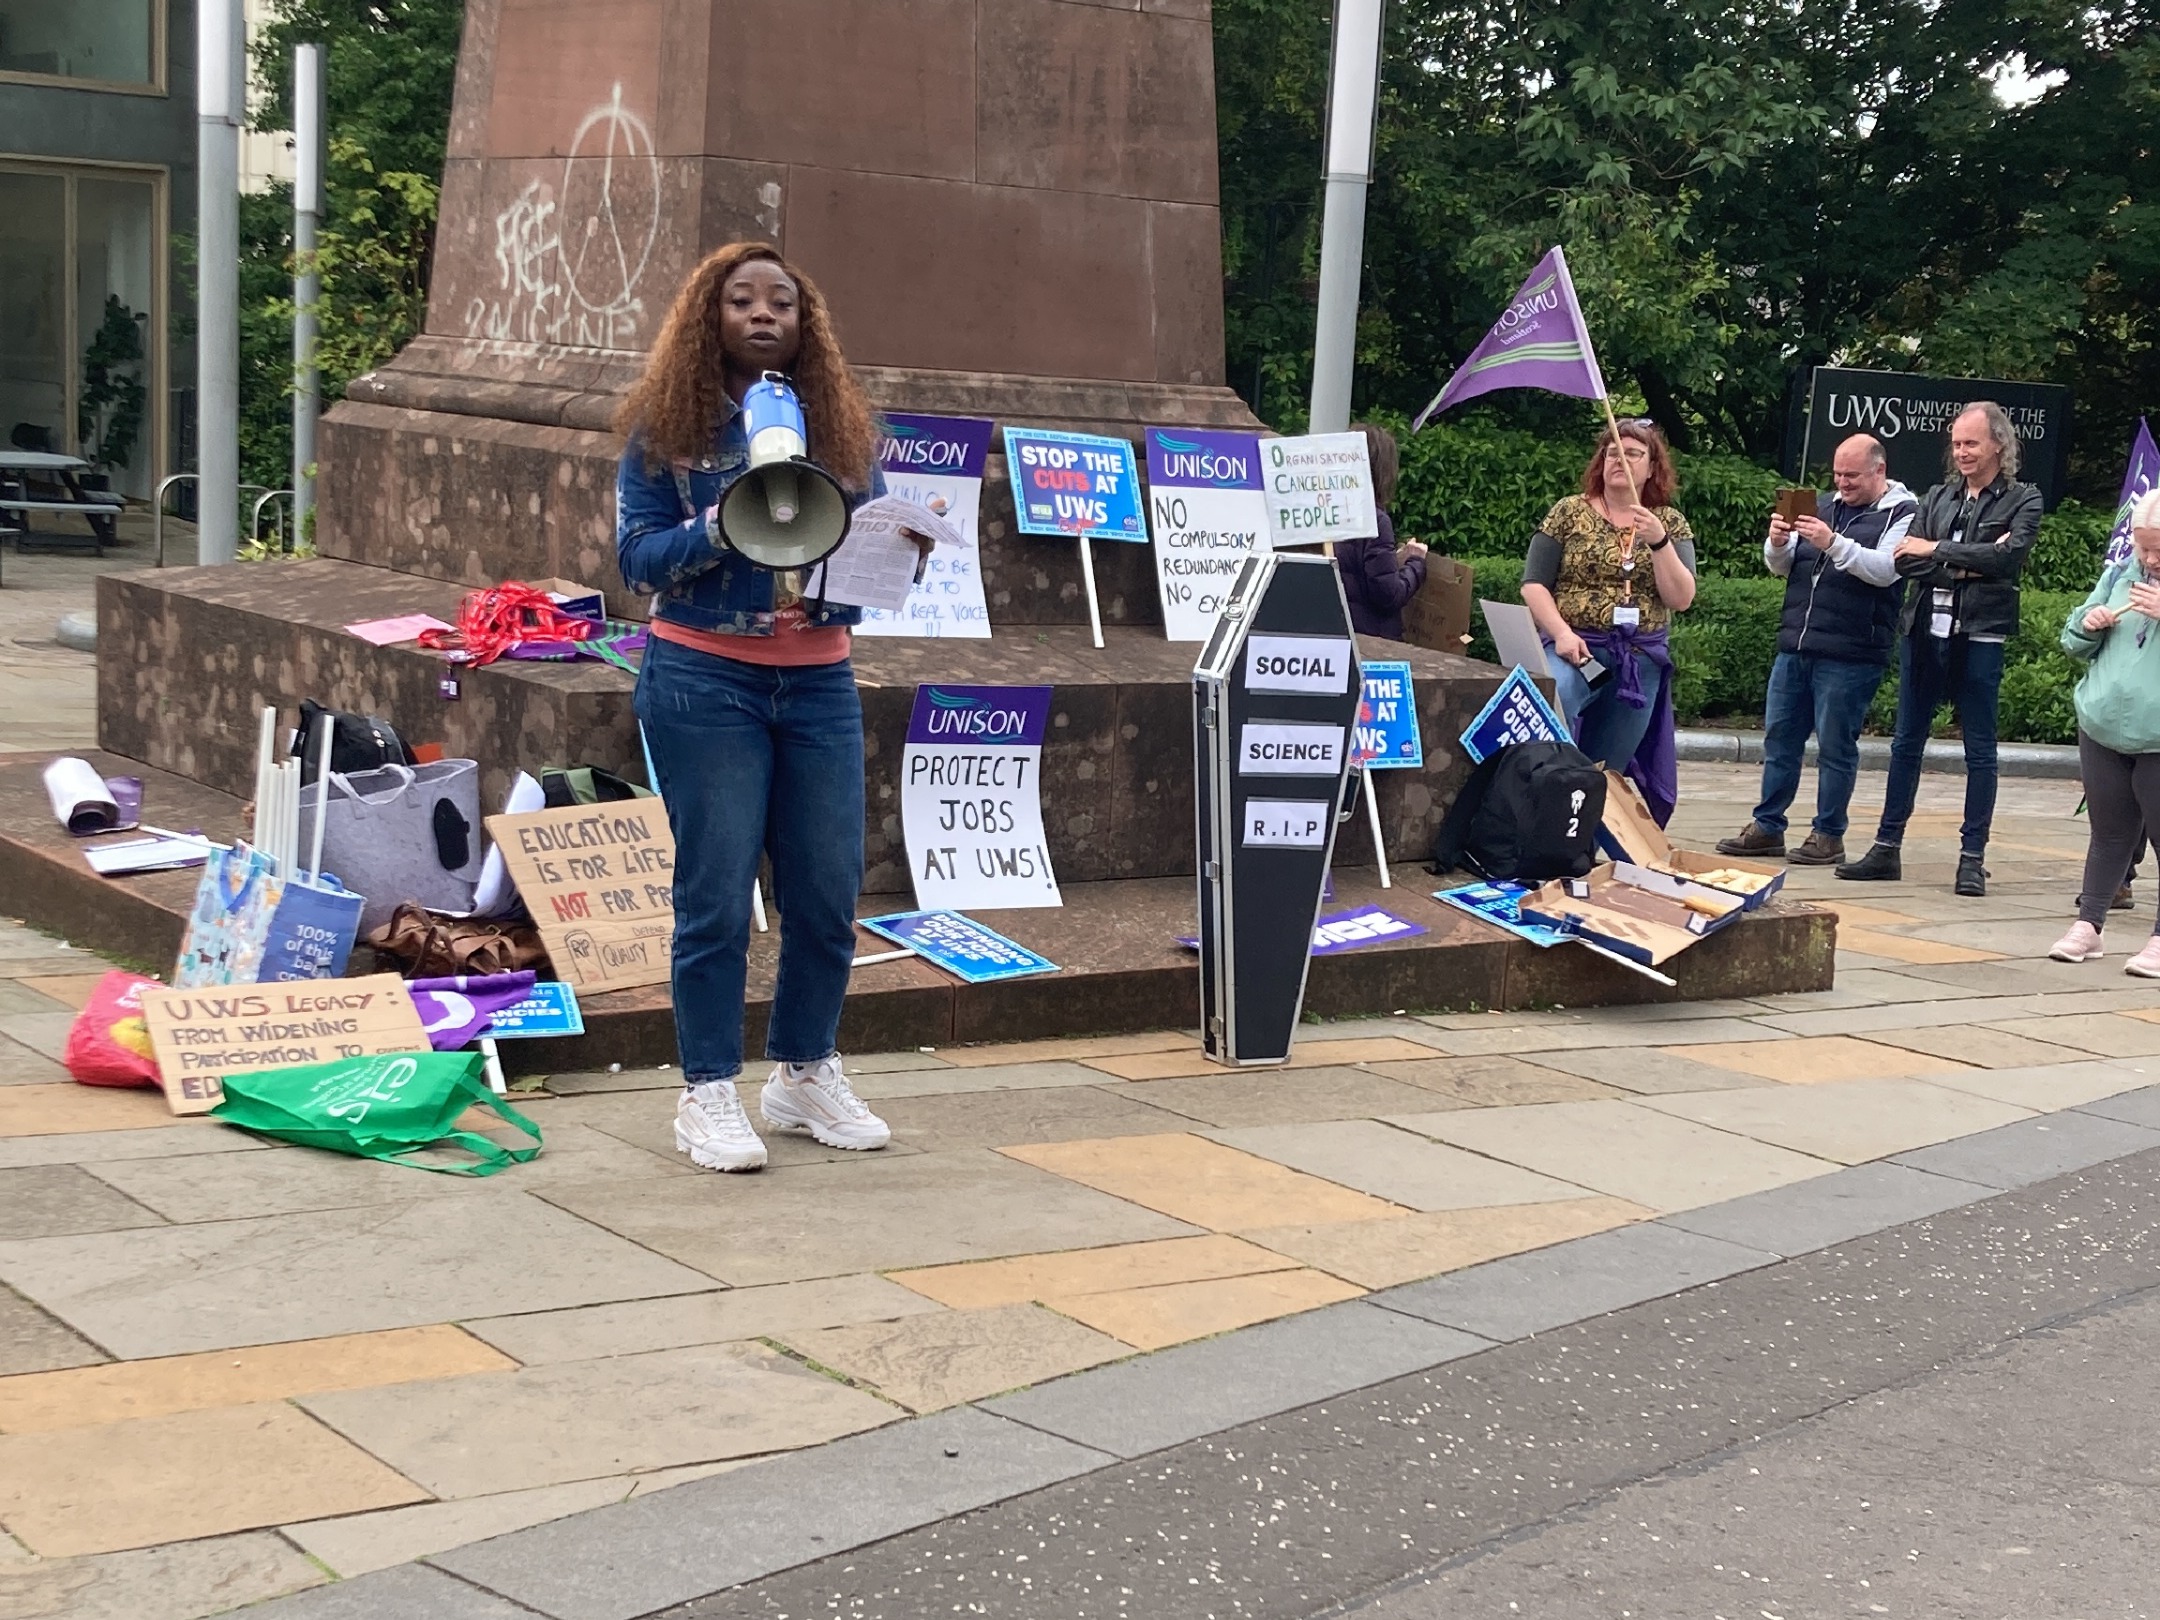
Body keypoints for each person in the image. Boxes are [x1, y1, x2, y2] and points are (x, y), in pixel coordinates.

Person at [615, 242, 894, 1173]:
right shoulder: (668, 427)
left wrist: (887, 556)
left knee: (825, 892)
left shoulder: (842, 431)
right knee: (716, 896)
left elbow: (879, 542)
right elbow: (638, 557)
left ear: (806, 323)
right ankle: (706, 1092)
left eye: (784, 301)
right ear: (712, 318)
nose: (765, 314)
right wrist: (719, 521)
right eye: (743, 301)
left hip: (818, 681)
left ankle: (802, 1071)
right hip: (704, 678)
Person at [1837, 403, 2043, 896]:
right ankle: (1887, 848)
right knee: (1906, 742)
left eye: (1971, 443)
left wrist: (1937, 550)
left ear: (1998, 444)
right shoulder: (1938, 495)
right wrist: (1968, 562)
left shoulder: (2023, 498)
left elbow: (2010, 560)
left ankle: (1972, 859)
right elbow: (1904, 560)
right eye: (1956, 443)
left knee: (1980, 750)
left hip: (1981, 633)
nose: (1962, 452)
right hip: (1925, 628)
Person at [1716, 435, 1916, 866]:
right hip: (1797, 643)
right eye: (1838, 474)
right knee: (1780, 739)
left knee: (1835, 746)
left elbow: (1886, 571)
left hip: (1852, 650)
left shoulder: (1903, 513)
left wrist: (1831, 542)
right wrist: (1778, 543)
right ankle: (1767, 826)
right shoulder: (1821, 503)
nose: (1842, 483)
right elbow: (1783, 567)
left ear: (1879, 471)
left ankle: (1828, 835)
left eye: (1852, 476)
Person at [1519, 419, 1698, 822]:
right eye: (1612, 452)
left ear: (1652, 468)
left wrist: (1659, 542)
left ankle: (1573, 838)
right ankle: (1531, 812)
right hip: (1574, 649)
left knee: (1605, 766)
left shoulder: (1668, 522)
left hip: (1639, 660)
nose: (1620, 459)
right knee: (1554, 708)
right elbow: (1533, 585)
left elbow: (1681, 598)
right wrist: (1561, 634)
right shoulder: (1568, 511)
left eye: (1633, 453)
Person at [2050, 489, 2160, 975]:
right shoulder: (2120, 574)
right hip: (2101, 723)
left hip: (2156, 734)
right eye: (2143, 546)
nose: (2150, 557)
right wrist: (2088, 624)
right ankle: (2089, 924)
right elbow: (2073, 640)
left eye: (2159, 548)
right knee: (2109, 831)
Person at [1336, 421, 1429, 640]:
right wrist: (1416, 564)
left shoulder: (1324, 515)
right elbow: (1388, 595)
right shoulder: (1374, 520)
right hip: (1370, 643)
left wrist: (1392, 560)